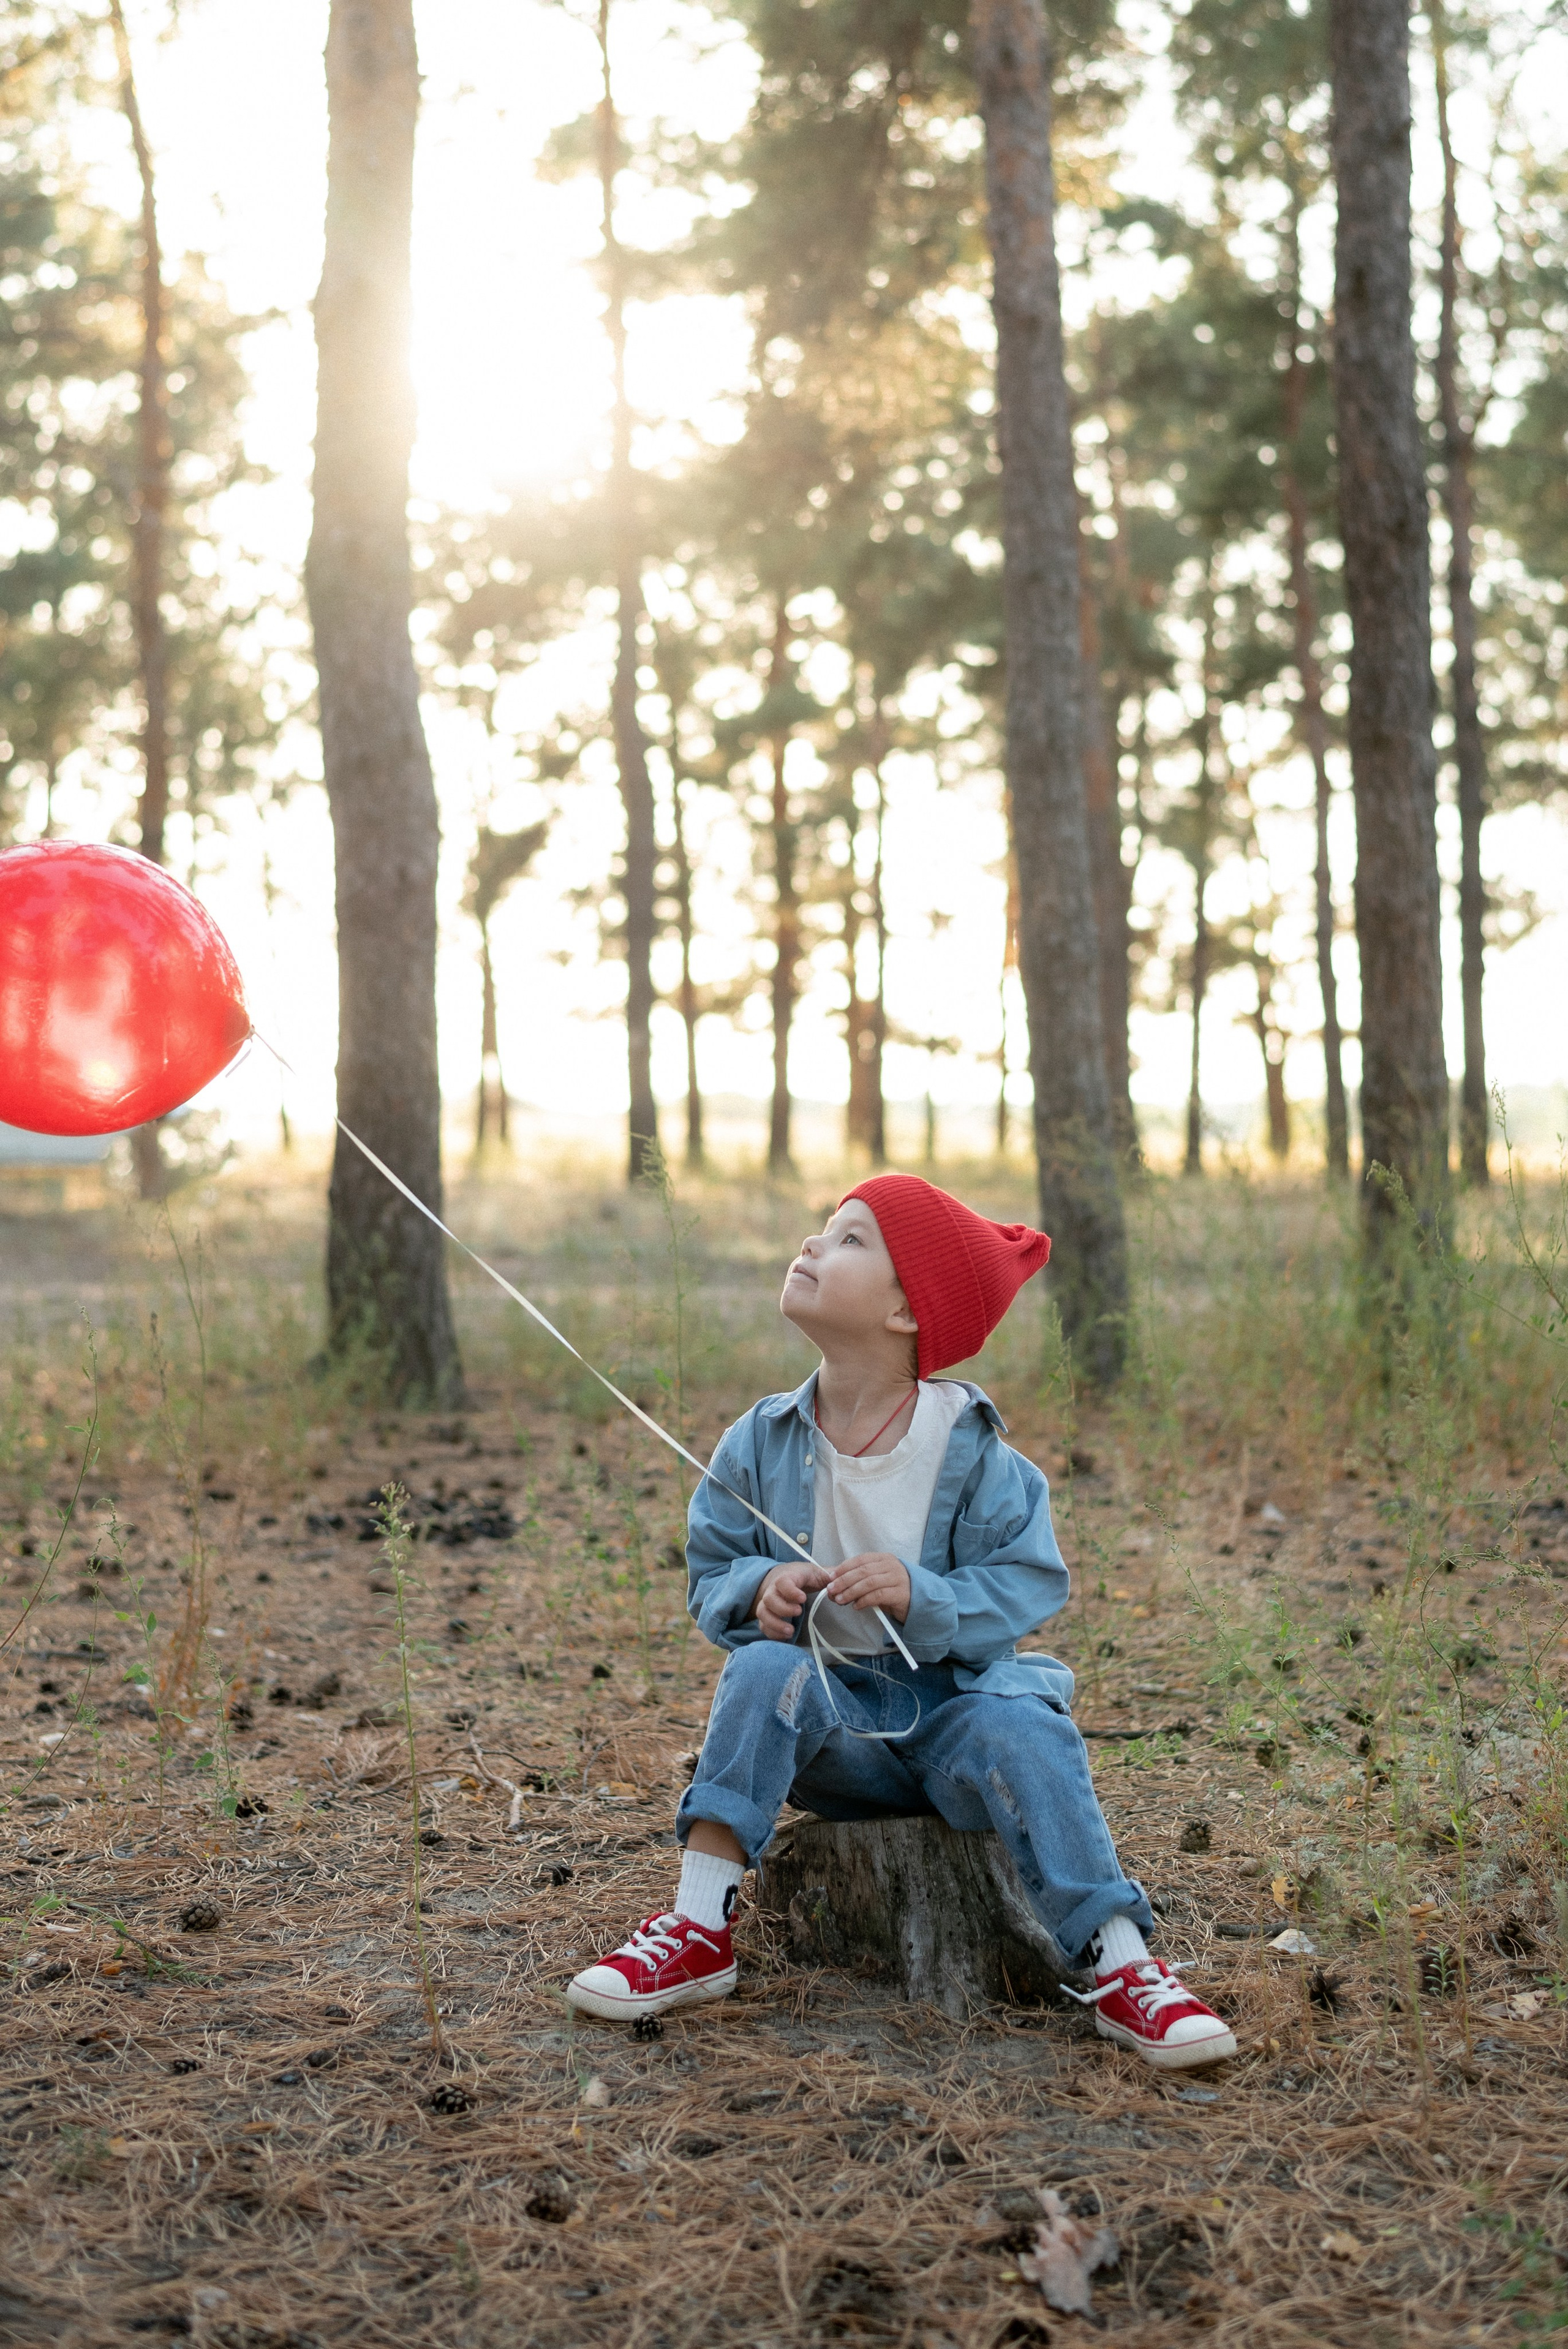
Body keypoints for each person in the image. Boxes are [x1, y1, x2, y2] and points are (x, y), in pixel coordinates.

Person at [567, 1174, 1235, 2071]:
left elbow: (1031, 1582)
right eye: (823, 1228)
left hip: (957, 1719)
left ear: (907, 1311)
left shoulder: (977, 1452)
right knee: (761, 1670)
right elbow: (712, 1569)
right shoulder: (759, 1439)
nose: (812, 1244)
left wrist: (923, 1595)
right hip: (832, 1727)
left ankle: (1121, 1964)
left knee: (1029, 1727)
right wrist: (759, 1587)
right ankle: (698, 1927)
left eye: (849, 1239)